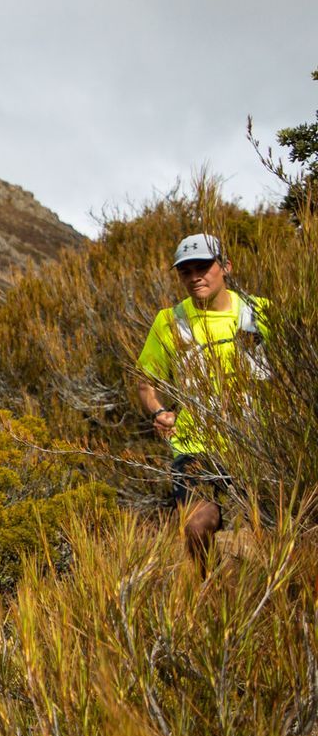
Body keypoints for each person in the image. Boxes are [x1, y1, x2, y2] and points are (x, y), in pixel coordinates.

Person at [134, 233, 270, 569]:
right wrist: (160, 410)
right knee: (196, 527)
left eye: (204, 266)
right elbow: (144, 382)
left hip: (258, 444)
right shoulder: (169, 321)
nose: (195, 276)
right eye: (186, 270)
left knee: (274, 533)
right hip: (195, 448)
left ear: (225, 266)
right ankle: (207, 586)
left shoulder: (261, 313)